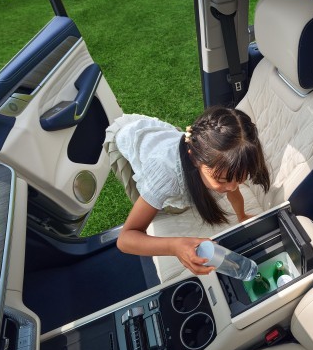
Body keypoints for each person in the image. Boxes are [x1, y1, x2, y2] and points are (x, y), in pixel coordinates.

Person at [103, 106, 271, 275]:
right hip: (127, 136)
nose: (233, 187)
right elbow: (125, 239)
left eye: (240, 179)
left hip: (155, 136)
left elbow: (230, 185)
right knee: (151, 197)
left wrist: (241, 215)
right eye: (221, 180)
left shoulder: (221, 159)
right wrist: (174, 246)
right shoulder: (165, 175)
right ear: (195, 159)